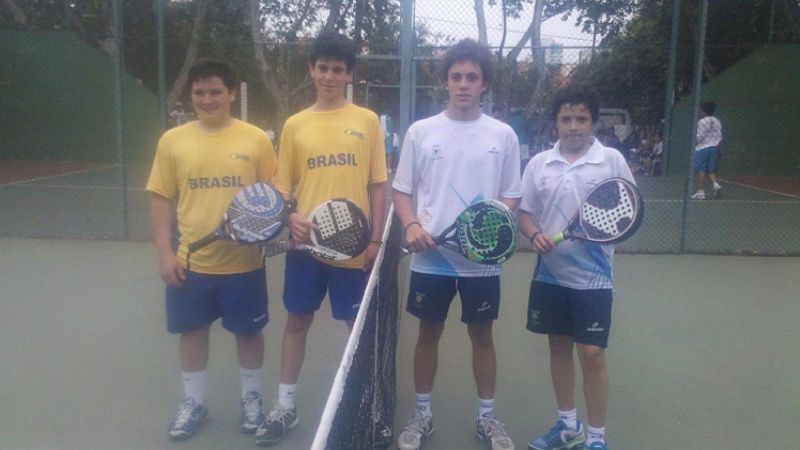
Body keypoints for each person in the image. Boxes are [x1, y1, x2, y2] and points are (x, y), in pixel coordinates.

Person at [254, 31, 388, 447]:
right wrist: (290, 216)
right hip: (306, 248)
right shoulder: (295, 125)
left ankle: (371, 405)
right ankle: (285, 406)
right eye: (323, 68)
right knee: (297, 322)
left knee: (356, 330)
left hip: (354, 248)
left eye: (337, 69)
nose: (329, 76)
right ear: (311, 70)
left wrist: (374, 241)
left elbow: (378, 185)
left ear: (349, 74)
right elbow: (282, 190)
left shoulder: (366, 121)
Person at [392, 39, 520, 450]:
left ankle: (487, 417)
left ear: (484, 84)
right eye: (456, 77)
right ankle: (422, 414)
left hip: (482, 263)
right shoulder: (421, 132)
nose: (464, 84)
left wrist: (485, 232)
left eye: (472, 77)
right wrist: (412, 225)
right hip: (431, 260)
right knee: (428, 333)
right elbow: (401, 190)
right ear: (445, 82)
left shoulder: (503, 135)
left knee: (482, 336)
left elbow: (511, 196)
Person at [146, 58, 277, 441]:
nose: (207, 99)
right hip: (191, 263)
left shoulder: (256, 139)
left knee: (248, 334)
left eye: (215, 91)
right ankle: (195, 402)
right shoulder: (173, 141)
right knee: (192, 332)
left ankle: (251, 399)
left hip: (244, 265)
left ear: (232, 94)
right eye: (200, 92)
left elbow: (273, 196)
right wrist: (164, 252)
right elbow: (160, 197)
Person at [517, 86, 633, 450]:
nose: (573, 126)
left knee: (592, 353)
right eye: (566, 118)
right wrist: (534, 234)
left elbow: (628, 209)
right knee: (558, 345)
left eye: (581, 119)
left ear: (593, 123)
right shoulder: (539, 164)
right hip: (550, 274)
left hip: (594, 278)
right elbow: (524, 213)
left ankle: (596, 438)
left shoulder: (611, 160)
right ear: (555, 122)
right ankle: (568, 425)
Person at [691, 101, 723, 199]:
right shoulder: (717, 121)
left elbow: (700, 136)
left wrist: (696, 144)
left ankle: (701, 192)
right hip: (714, 148)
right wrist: (717, 147)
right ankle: (716, 185)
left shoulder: (702, 121)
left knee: (701, 170)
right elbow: (720, 137)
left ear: (703, 110)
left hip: (702, 148)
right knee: (710, 169)